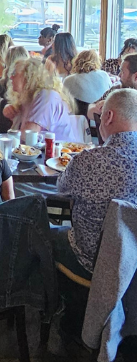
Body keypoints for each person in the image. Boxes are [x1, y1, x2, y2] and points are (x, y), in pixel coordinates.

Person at [53, 88, 137, 284]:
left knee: (44, 232)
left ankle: (54, 304)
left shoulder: (88, 161)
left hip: (91, 261)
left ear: (108, 117)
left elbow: (61, 189)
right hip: (133, 266)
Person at [1, 57, 78, 141]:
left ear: (28, 76)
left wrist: (1, 141)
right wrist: (9, 110)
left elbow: (27, 136)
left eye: (15, 73)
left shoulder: (46, 96)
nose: (11, 77)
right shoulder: (28, 97)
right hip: (42, 151)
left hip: (60, 152)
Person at [89, 53, 137, 118]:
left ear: (136, 77)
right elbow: (91, 107)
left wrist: (112, 106)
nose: (119, 75)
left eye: (122, 72)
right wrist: (99, 107)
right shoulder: (116, 90)